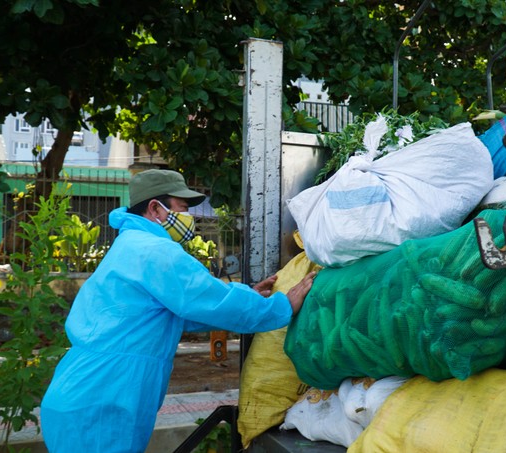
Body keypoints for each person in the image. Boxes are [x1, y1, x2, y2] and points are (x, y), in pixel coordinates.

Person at [40, 169, 317, 452]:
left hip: (89, 391)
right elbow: (210, 298)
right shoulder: (153, 251)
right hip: (103, 399)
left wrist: (250, 296)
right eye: (183, 207)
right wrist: (280, 306)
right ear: (155, 208)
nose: (190, 217)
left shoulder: (131, 245)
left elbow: (181, 314)